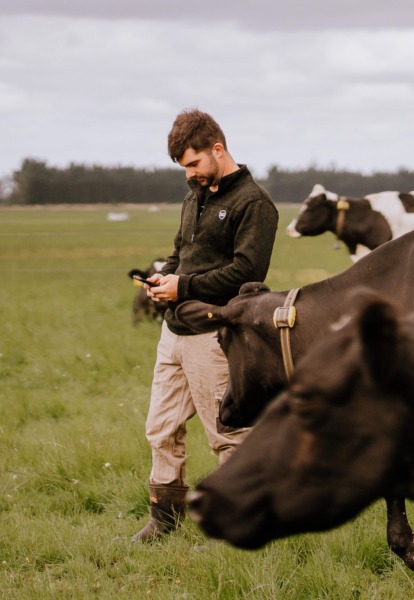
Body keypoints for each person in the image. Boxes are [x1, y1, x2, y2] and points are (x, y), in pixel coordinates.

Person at [132, 108, 279, 542]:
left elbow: (246, 272)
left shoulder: (254, 203)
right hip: (173, 333)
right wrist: (163, 279)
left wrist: (184, 286)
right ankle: (164, 519)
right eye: (183, 167)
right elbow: (181, 253)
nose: (189, 174)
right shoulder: (194, 194)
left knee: (228, 436)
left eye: (193, 163)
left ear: (218, 149)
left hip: (217, 335)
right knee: (160, 428)